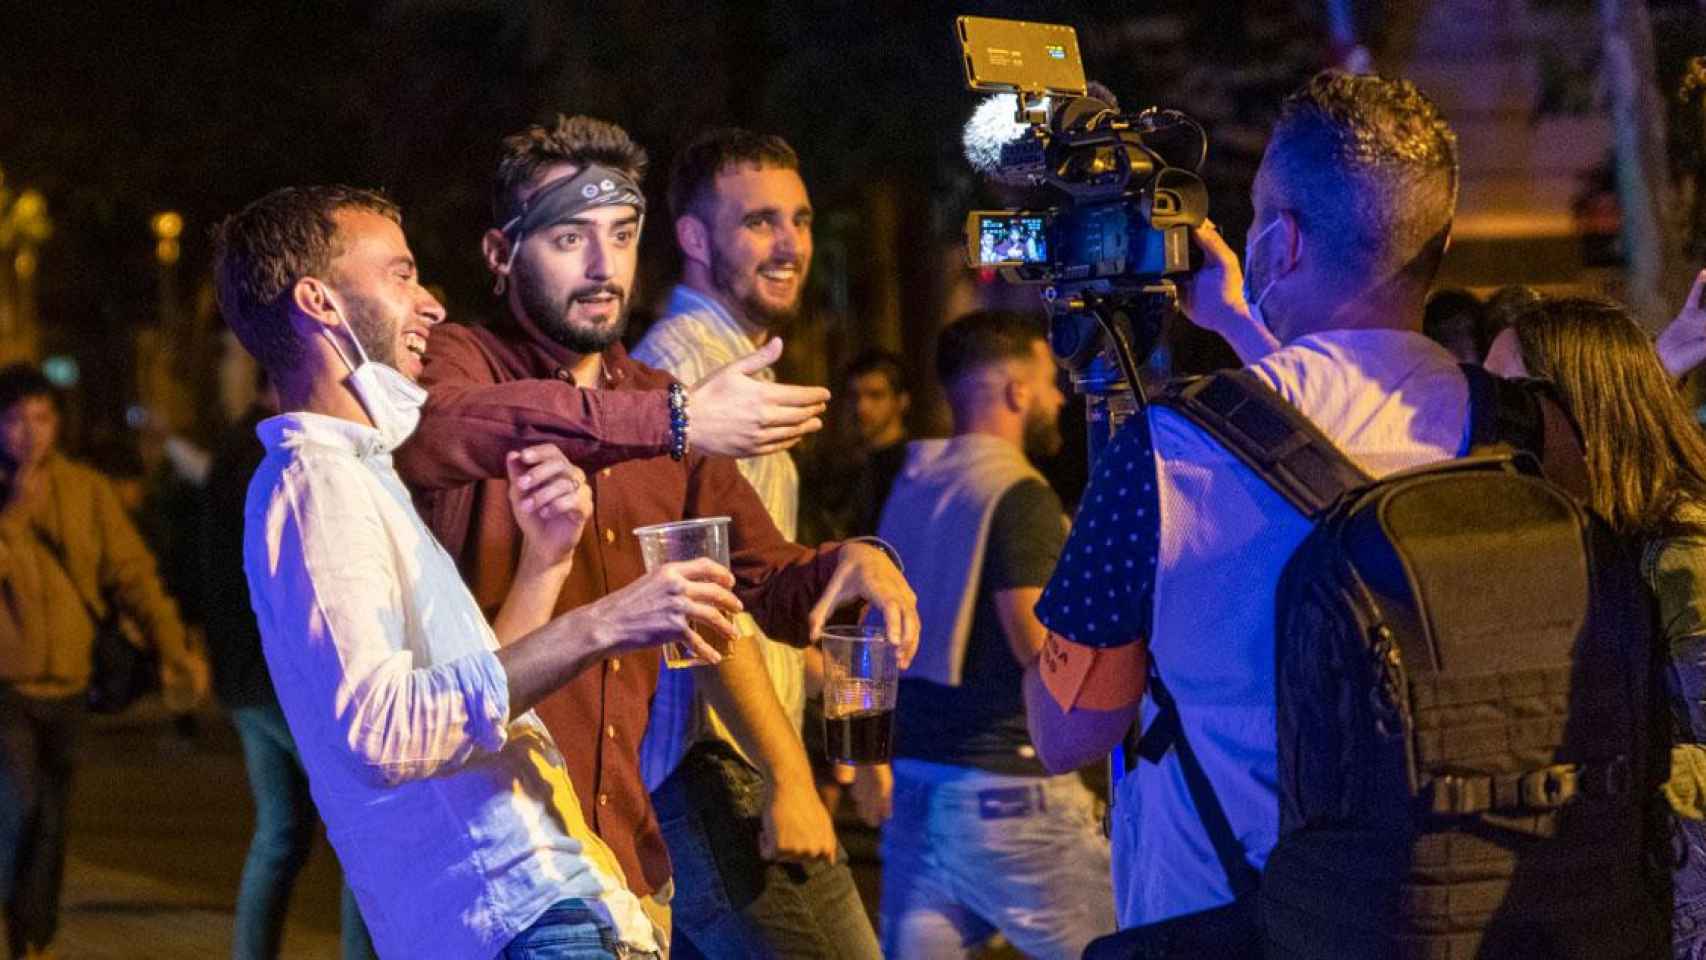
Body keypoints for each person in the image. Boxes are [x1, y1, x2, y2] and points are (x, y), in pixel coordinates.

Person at [394, 115, 919, 939]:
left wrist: (854, 562)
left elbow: (767, 581)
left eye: (622, 235)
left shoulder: (661, 400)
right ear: (501, 254)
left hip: (626, 862)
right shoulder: (467, 362)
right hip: (495, 860)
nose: (605, 268)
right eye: (570, 237)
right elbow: (441, 430)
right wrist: (669, 419)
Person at [213, 183, 745, 959]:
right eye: (400, 275)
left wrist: (544, 562)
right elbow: (382, 731)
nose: (430, 305)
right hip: (518, 920)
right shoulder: (316, 480)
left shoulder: (357, 473)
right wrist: (608, 622)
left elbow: (463, 706)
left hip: (547, 914)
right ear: (319, 301)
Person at [1022, 71, 1465, 947]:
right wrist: (1238, 323)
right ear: (1437, 245)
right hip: (1454, 907)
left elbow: (1070, 731)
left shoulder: (1170, 450)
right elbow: (1337, 423)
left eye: (1261, 218)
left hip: (1229, 916)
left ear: (1280, 245)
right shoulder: (1512, 424)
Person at [628, 127, 882, 959]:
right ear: (695, 239)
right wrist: (789, 779)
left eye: (801, 220)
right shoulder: (685, 378)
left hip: (726, 761)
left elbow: (758, 588)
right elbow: (697, 610)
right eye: (761, 222)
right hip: (708, 770)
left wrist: (848, 717)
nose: (791, 245)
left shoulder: (740, 365)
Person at [875, 310, 1114, 959]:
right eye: (1049, 381)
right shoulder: (1020, 494)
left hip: (918, 796)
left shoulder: (914, 481)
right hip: (1013, 802)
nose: (1060, 397)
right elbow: (1037, 645)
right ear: (1016, 390)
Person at [1484, 290, 1706, 958]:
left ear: (1576, 410)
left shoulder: (1684, 558)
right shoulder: (1589, 541)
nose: (1489, 421)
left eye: (1510, 400)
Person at [0, 364, 205, 960]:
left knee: (53, 818)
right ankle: (18, 927)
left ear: (56, 423)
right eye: (14, 420)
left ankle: (32, 931)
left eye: (40, 418)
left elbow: (132, 576)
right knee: (21, 806)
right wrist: (14, 509)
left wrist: (174, 650)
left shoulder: (85, 490)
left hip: (69, 687)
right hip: (6, 690)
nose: (29, 433)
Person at [200, 328, 375, 959]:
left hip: (245, 676)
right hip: (278, 679)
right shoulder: (272, 455)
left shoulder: (236, 451)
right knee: (364, 826)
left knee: (281, 832)